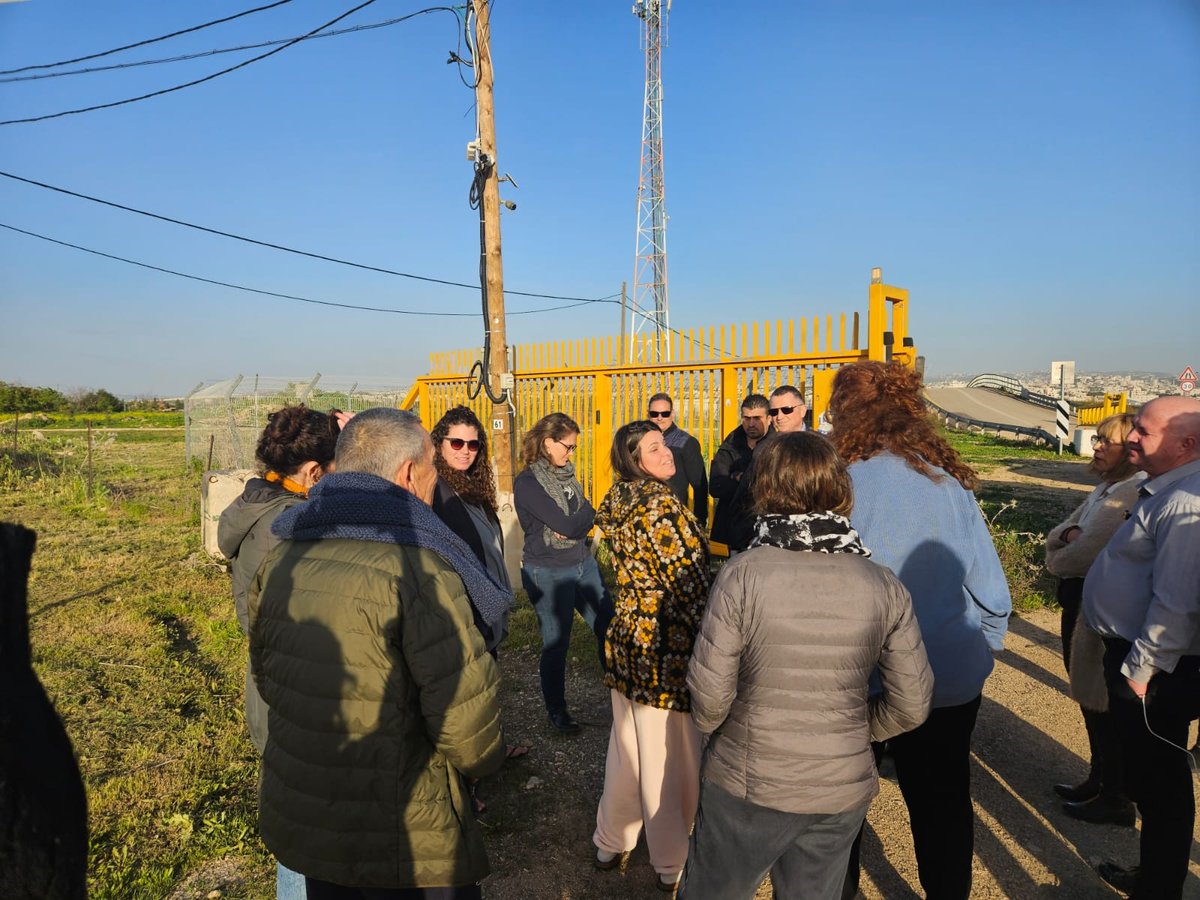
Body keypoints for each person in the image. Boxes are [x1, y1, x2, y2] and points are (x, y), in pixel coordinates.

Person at [248, 407, 510, 900]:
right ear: (409, 473)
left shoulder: (283, 554)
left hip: (312, 813)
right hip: (407, 829)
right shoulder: (420, 568)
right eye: (434, 465)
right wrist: (483, 765)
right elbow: (469, 728)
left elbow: (268, 676)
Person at [679, 431, 933, 900]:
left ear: (765, 488)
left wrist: (721, 732)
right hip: (840, 788)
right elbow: (912, 703)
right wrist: (855, 732)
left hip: (748, 783)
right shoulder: (883, 583)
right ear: (839, 488)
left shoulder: (744, 574)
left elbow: (710, 699)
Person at [828, 360, 1011, 900]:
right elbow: (989, 589)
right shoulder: (946, 484)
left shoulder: (837, 485)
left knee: (841, 812)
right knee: (943, 804)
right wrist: (982, 649)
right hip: (945, 676)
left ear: (845, 412)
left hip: (855, 680)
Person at [218, 404, 344, 900]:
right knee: (306, 833)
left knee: (295, 818)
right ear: (314, 471)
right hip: (301, 697)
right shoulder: (297, 525)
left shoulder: (254, 506)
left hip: (268, 682)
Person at [1082, 395, 1200, 899]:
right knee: (1154, 782)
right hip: (1141, 660)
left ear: (1186, 444)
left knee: (1161, 784)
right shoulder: (1168, 488)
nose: (1131, 436)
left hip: (1153, 670)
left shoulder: (1186, 501)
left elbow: (1176, 603)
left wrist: (1140, 673)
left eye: (1144, 432)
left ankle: (1159, 887)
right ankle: (1156, 876)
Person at [591, 420, 713, 894]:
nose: (668, 455)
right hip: (664, 645)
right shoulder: (662, 507)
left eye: (666, 446)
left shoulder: (619, 499)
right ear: (635, 459)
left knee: (626, 750)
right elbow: (691, 586)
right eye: (655, 449)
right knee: (668, 759)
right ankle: (670, 861)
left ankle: (609, 840)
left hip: (626, 637)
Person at [1044, 413, 1144, 826]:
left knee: (1103, 699)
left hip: (1099, 610)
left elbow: (1083, 552)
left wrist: (1063, 548)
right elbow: (1062, 532)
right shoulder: (1106, 488)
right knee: (1089, 697)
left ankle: (1117, 793)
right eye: (1098, 439)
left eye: (1107, 441)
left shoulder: (1130, 492)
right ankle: (1100, 778)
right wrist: (1065, 540)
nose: (1097, 446)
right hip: (1081, 604)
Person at [514, 412, 614, 734]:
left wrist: (578, 522)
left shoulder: (567, 475)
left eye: (574, 447)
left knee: (608, 628)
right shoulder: (528, 483)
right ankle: (558, 712)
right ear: (547, 443)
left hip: (582, 561)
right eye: (567, 447)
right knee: (557, 643)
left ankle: (621, 697)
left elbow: (586, 513)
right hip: (548, 571)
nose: (572, 454)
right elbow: (571, 522)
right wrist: (578, 521)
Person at [430, 405, 513, 652]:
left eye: (473, 445)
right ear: (439, 444)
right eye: (457, 443)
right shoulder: (436, 490)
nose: (465, 451)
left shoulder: (471, 487)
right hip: (466, 610)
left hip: (486, 602)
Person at [708, 393, 769, 550]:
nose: (751, 424)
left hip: (765, 529)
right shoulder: (731, 444)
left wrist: (738, 477)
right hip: (731, 529)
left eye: (757, 418)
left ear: (768, 419)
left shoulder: (776, 445)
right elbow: (716, 486)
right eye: (746, 418)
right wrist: (750, 482)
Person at [647, 392, 709, 529]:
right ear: (648, 414)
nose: (659, 418)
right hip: (645, 515)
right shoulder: (642, 442)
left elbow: (700, 486)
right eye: (654, 414)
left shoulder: (686, 443)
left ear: (672, 414)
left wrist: (699, 522)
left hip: (674, 518)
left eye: (665, 414)